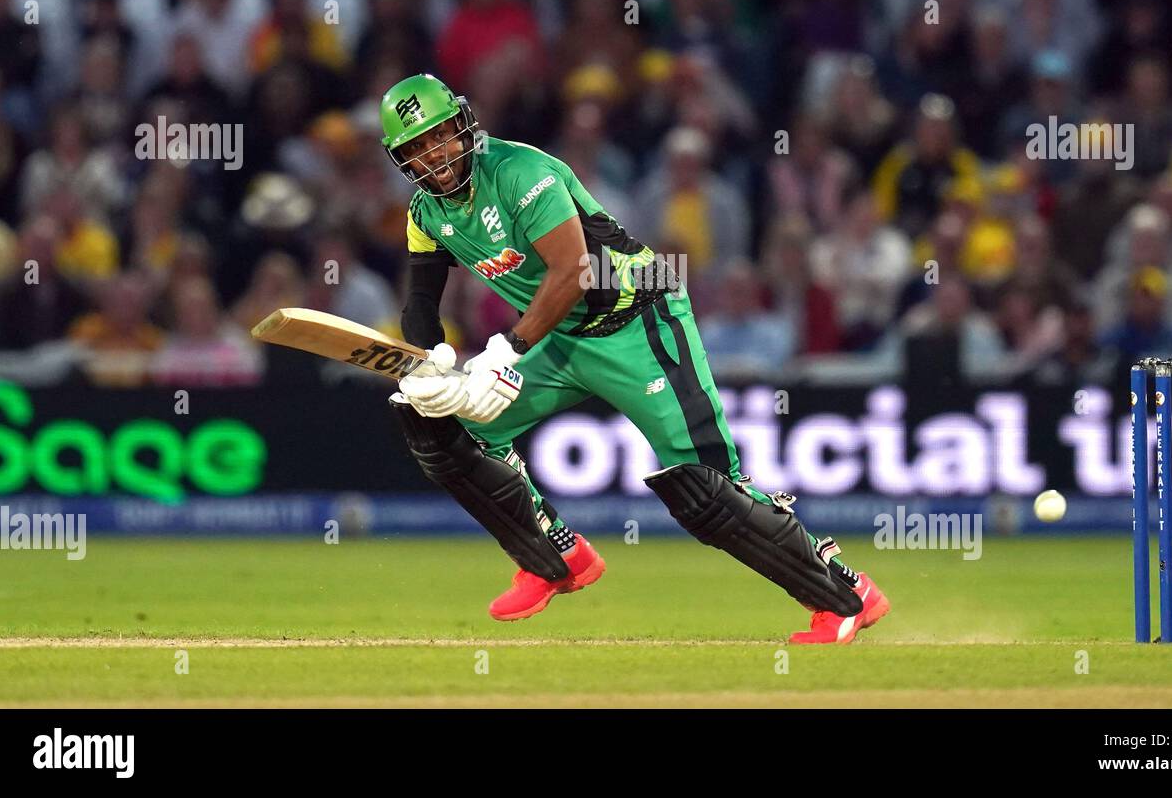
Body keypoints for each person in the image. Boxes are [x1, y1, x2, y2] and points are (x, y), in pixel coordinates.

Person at [378, 74, 889, 644]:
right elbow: (420, 301)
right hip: (558, 338)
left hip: (638, 315)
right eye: (417, 148)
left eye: (440, 136)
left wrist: (505, 351)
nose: (435, 155)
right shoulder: (426, 213)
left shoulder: (523, 172)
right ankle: (555, 558)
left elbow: (573, 272)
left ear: (463, 126)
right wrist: (426, 367)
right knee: (441, 427)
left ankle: (845, 594)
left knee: (707, 486)